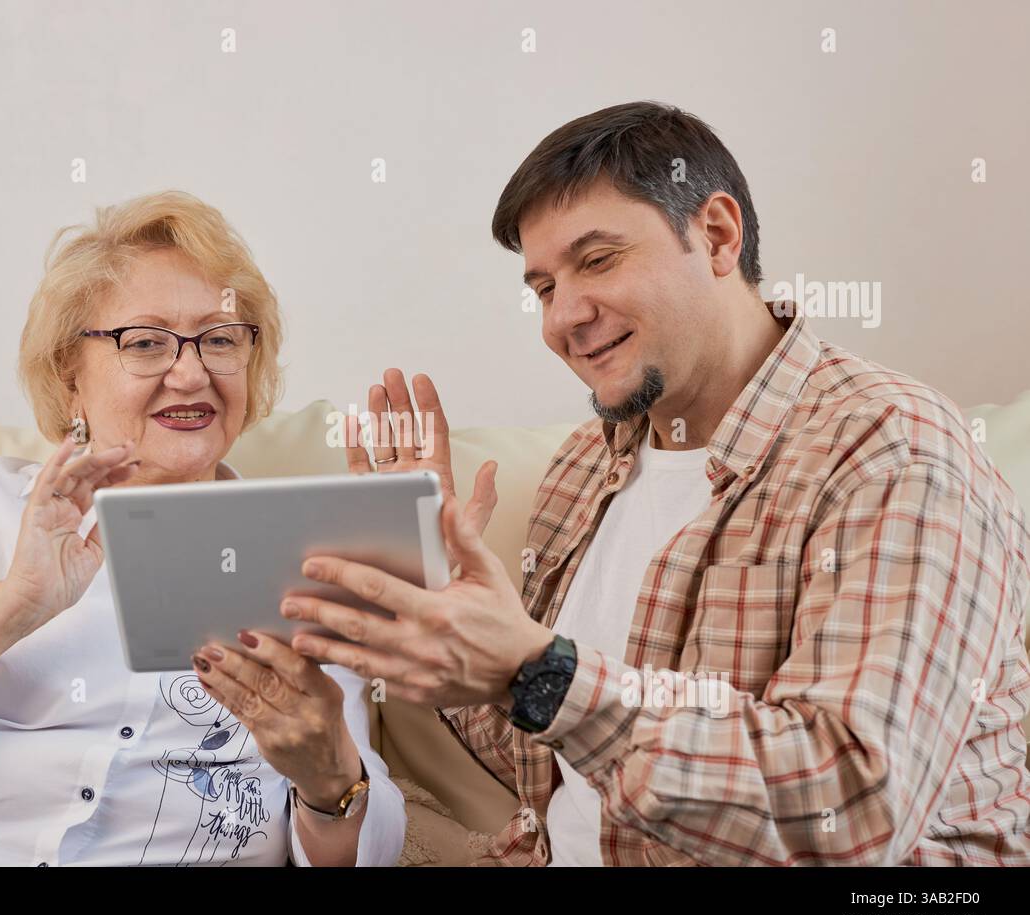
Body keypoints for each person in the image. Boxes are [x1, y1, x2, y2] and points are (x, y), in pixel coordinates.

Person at [286, 102, 1030, 866]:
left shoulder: (893, 453)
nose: (564, 318)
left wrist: (537, 673)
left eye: (598, 259)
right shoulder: (586, 465)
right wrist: (439, 590)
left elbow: (851, 806)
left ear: (716, 235)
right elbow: (551, 753)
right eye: (543, 287)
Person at [0, 191, 405, 867]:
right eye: (146, 343)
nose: (190, 372)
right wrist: (15, 604)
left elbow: (363, 851)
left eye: (220, 339)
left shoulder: (305, 555)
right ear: (69, 377)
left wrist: (328, 773)